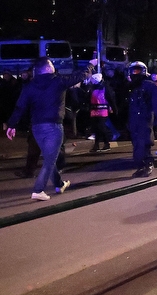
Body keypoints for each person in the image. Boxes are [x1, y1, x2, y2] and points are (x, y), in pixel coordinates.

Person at [5, 57, 93, 200]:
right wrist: (90, 65)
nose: (53, 66)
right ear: (47, 68)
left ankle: (59, 184)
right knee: (50, 161)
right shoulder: (57, 81)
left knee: (49, 157)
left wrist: (12, 125)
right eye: (51, 64)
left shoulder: (30, 86)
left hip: (37, 128)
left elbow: (20, 107)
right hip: (53, 127)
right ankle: (38, 190)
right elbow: (79, 76)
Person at [128, 61, 157, 177]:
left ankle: (148, 164)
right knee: (136, 144)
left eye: (137, 70)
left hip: (146, 118)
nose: (135, 73)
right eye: (133, 71)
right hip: (134, 119)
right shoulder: (131, 86)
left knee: (145, 143)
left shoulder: (151, 85)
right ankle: (140, 166)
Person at [87, 72, 117, 152]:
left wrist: (114, 109)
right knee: (96, 129)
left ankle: (106, 144)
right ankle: (96, 145)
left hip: (102, 112)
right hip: (94, 112)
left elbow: (111, 99)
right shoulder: (92, 88)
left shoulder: (105, 88)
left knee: (101, 128)